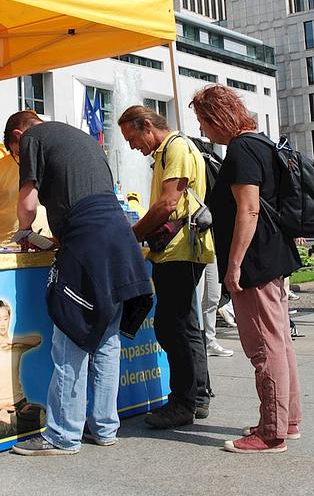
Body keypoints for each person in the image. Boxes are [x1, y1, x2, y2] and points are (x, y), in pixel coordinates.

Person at [7, 112, 150, 456]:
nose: (20, 158)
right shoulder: (78, 136)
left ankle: (62, 434)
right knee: (106, 339)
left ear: (17, 135)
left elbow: (28, 201)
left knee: (71, 335)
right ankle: (103, 427)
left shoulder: (31, 139)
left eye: (15, 153)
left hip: (88, 239)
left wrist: (23, 232)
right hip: (117, 238)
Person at [190, 85, 302, 454]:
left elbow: (249, 209)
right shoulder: (264, 143)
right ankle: (286, 420)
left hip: (255, 260)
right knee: (280, 341)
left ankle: (271, 433)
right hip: (275, 254)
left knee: (263, 346)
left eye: (204, 122)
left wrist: (233, 264)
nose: (204, 132)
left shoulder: (241, 149)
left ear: (218, 117)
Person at [118, 105, 214, 428]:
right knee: (185, 325)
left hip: (180, 250)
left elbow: (168, 203)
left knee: (171, 327)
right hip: (177, 250)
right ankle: (197, 397)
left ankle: (183, 402)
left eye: (132, 138)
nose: (132, 146)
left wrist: (133, 235)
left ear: (147, 125)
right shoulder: (166, 151)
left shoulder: (176, 147)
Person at [0, 301, 45, 443]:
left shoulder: (16, 345)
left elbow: (38, 340)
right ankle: (8, 422)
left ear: (9, 318)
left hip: (20, 407)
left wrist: (13, 341)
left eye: (5, 318)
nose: (2, 323)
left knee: (42, 416)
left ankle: (8, 422)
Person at [0, 130, 49, 250]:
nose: (20, 156)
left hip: (44, 244)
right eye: (16, 153)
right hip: (7, 246)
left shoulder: (47, 164)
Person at [200, 259, 233, 356]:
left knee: (213, 297)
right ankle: (198, 341)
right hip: (192, 252)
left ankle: (209, 342)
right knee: (197, 297)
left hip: (211, 251)